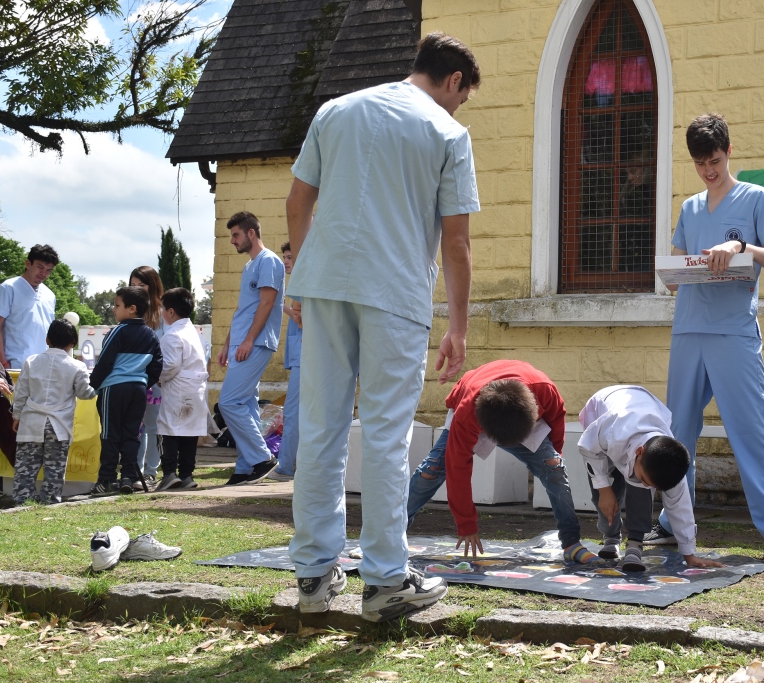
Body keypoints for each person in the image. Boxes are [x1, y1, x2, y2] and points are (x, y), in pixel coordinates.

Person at [285, 31, 479, 621]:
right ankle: (385, 579)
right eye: (462, 96)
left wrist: (297, 274)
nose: (458, 106)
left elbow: (298, 201)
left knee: (319, 428)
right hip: (392, 291)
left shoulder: (336, 110)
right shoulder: (447, 131)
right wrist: (459, 326)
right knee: (387, 434)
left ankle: (315, 577)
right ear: (453, 82)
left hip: (323, 283)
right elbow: (457, 242)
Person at [645, 113, 764, 564]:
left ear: (728, 152)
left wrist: (741, 248)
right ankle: (672, 524)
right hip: (689, 329)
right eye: (700, 164)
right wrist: (680, 270)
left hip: (733, 332)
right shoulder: (690, 208)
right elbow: (673, 274)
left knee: (752, 431)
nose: (708, 171)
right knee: (676, 434)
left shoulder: (756, 199)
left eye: (714, 160)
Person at [407, 360, 601, 566]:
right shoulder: (467, 414)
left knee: (554, 466)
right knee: (432, 470)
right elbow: (458, 469)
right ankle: (391, 534)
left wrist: (552, 461)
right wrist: (466, 524)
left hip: (519, 415)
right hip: (476, 407)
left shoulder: (544, 391)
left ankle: (571, 543)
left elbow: (556, 424)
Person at [577, 385, 726, 572]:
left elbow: (680, 506)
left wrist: (689, 554)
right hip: (604, 414)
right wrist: (604, 488)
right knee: (604, 495)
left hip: (644, 409)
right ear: (639, 452)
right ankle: (611, 538)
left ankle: (635, 544)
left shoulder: (669, 462)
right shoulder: (613, 430)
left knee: (641, 493)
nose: (646, 485)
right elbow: (588, 448)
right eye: (645, 478)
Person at [216, 211, 285, 486]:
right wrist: (226, 345)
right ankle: (245, 468)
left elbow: (267, 304)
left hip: (255, 342)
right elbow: (243, 309)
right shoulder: (249, 266)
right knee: (245, 404)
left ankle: (262, 458)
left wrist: (247, 341)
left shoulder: (269, 261)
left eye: (235, 235)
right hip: (241, 343)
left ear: (251, 233)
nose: (232, 241)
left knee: (228, 402)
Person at [10, 319, 95, 504]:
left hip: (31, 422)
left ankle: (22, 501)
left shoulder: (31, 362)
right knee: (54, 470)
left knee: (26, 468)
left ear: (47, 339)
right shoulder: (76, 366)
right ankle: (49, 501)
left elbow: (21, 393)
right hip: (59, 426)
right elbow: (85, 393)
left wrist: (17, 416)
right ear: (72, 344)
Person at [89, 286, 163, 495]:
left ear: (131, 308)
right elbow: (157, 365)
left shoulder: (118, 331)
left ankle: (106, 479)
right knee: (132, 435)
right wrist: (143, 381)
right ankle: (128, 477)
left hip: (113, 389)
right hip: (138, 389)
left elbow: (104, 361)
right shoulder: (151, 334)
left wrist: (92, 385)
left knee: (110, 434)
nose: (114, 309)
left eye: (117, 305)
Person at [155, 288, 209, 491]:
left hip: (177, 390)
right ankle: (187, 474)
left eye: (162, 309)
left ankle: (169, 473)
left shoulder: (172, 335)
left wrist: (159, 379)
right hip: (196, 389)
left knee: (167, 429)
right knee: (189, 432)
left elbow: (169, 366)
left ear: (170, 312)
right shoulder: (197, 335)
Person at [130, 266, 165, 488]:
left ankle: (151, 471)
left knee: (153, 426)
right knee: (136, 426)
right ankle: (136, 471)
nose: (137, 290)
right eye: (133, 286)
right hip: (134, 378)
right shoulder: (131, 311)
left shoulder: (162, 313)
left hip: (156, 378)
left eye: (141, 286)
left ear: (152, 286)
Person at [268, 242, 300, 482]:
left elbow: (303, 319)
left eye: (289, 257)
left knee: (292, 412)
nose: (285, 261)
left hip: (305, 357)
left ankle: (286, 466)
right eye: (284, 257)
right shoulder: (298, 284)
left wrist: (281, 305)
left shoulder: (302, 285)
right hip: (301, 357)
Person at [0, 245, 58, 369]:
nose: (43, 273)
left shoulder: (50, 295)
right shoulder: (9, 288)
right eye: (40, 267)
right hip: (15, 365)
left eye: (48, 270)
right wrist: (3, 363)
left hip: (43, 367)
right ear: (28, 264)